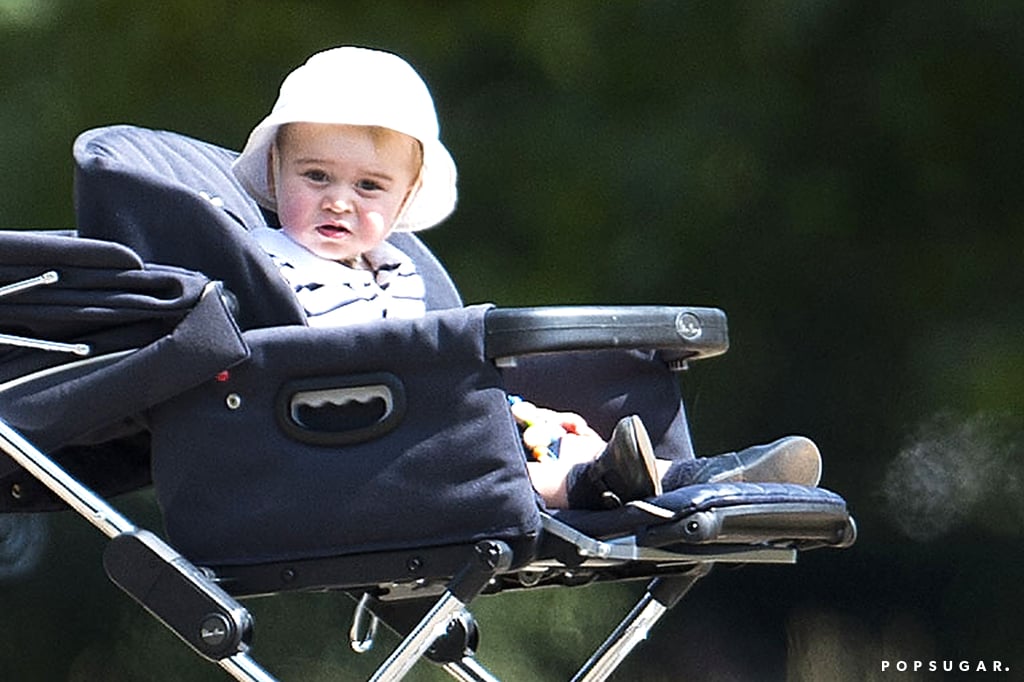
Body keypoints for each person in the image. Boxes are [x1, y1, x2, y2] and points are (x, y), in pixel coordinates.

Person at [232, 46, 821, 509]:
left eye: (368, 187)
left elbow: (433, 368)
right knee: (516, 447)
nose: (339, 202)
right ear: (276, 170)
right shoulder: (267, 263)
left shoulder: (399, 273)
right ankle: (593, 484)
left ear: (405, 195)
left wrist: (511, 409)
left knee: (562, 433)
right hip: (355, 451)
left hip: (429, 425)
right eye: (316, 176)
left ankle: (690, 477)